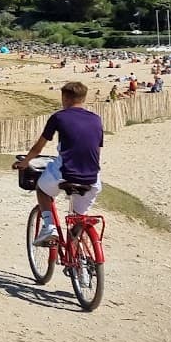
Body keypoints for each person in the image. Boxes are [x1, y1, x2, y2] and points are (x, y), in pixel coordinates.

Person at [14, 82, 103, 247]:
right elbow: (95, 150)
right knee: (79, 217)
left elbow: (39, 147)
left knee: (42, 189)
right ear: (83, 99)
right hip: (93, 177)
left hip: (66, 172)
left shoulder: (59, 117)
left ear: (65, 98)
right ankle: (81, 262)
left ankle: (50, 227)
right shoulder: (96, 120)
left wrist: (25, 162)